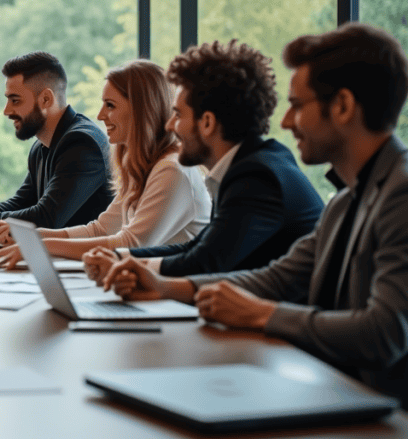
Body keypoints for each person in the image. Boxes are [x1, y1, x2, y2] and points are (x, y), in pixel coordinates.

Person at [96, 23, 408, 404]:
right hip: (339, 394)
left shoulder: (400, 193)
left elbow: (385, 333)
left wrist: (263, 315)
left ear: (342, 106)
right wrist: (166, 287)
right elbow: (278, 278)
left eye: (297, 106)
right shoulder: (346, 201)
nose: (288, 121)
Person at [84, 40, 324, 280]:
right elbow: (197, 248)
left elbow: (206, 262)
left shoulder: (256, 176)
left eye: (177, 115)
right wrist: (120, 259)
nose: (169, 125)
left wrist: (128, 263)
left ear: (207, 122)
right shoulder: (250, 165)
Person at [0, 61, 211, 268]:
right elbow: (100, 229)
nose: (100, 115)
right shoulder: (143, 167)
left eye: (110, 105)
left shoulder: (171, 169)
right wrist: (33, 236)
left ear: (141, 111)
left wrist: (39, 245)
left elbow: (130, 244)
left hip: (177, 301)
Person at [0, 51, 113, 234]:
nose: (6, 111)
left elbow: (48, 217)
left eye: (15, 100)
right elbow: (23, 202)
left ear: (46, 99)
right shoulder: (41, 146)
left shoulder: (82, 144)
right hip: (53, 256)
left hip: (83, 259)